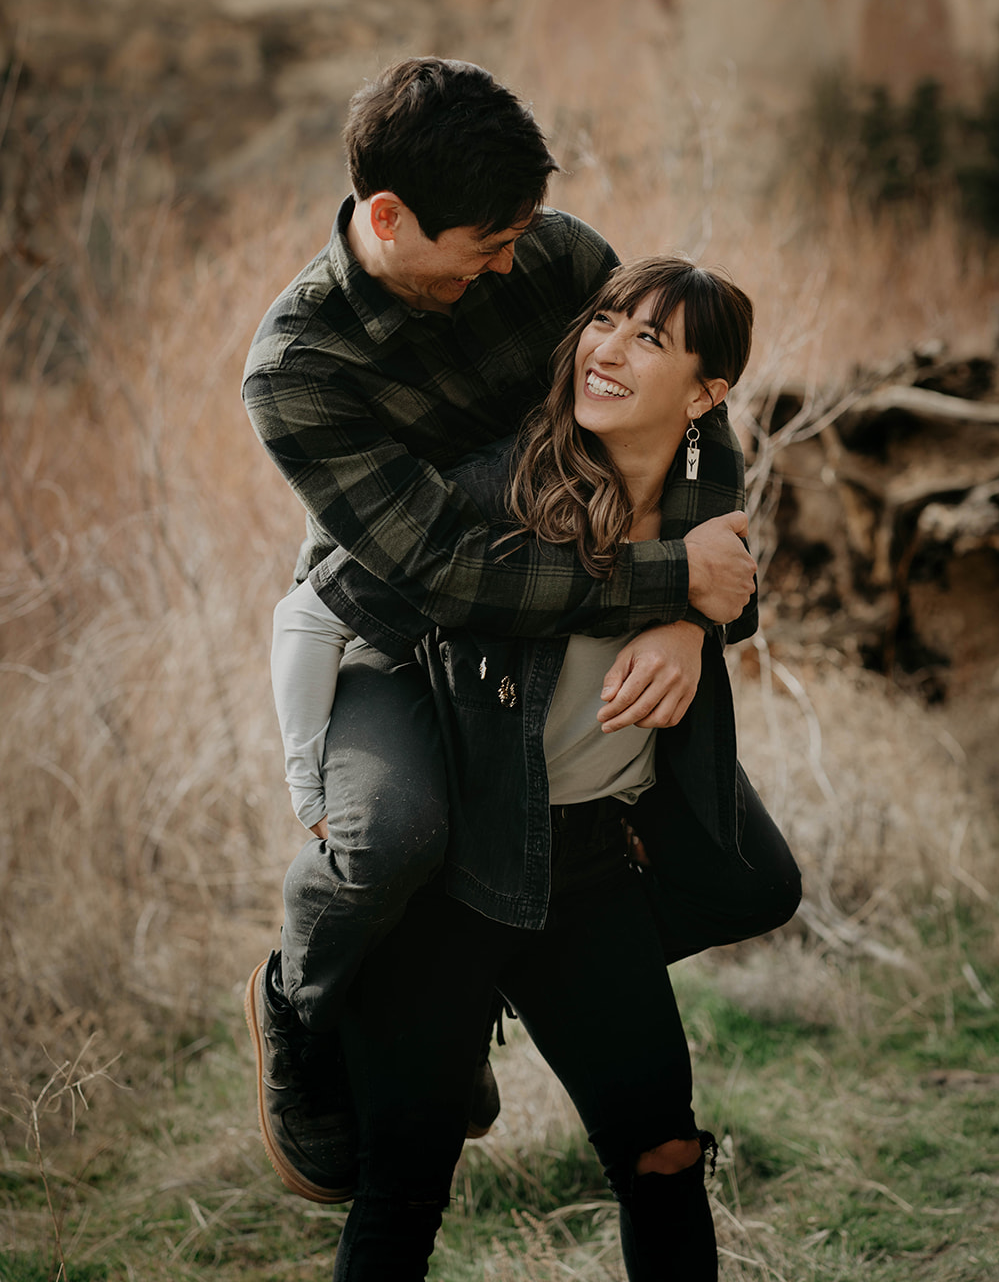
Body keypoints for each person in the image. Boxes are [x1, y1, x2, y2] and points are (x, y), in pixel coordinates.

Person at [241, 57, 764, 1204]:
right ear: (388, 218)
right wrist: (662, 579)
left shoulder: (556, 251)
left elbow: (686, 409)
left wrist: (684, 615)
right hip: (394, 630)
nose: (515, 261)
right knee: (391, 838)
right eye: (486, 242)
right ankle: (309, 1000)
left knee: (740, 869)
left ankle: (478, 985)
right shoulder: (299, 367)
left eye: (524, 230)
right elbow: (444, 567)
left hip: (552, 629)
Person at [303, 256, 801, 1279]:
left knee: (664, 1157)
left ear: (707, 394)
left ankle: (519, 993)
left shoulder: (707, 524)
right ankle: (327, 1006)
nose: (605, 349)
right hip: (448, 888)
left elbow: (732, 591)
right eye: (603, 322)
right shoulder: (495, 489)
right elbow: (315, 610)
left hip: (584, 874)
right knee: (403, 1193)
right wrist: (313, 793)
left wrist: (688, 628)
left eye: (647, 340)